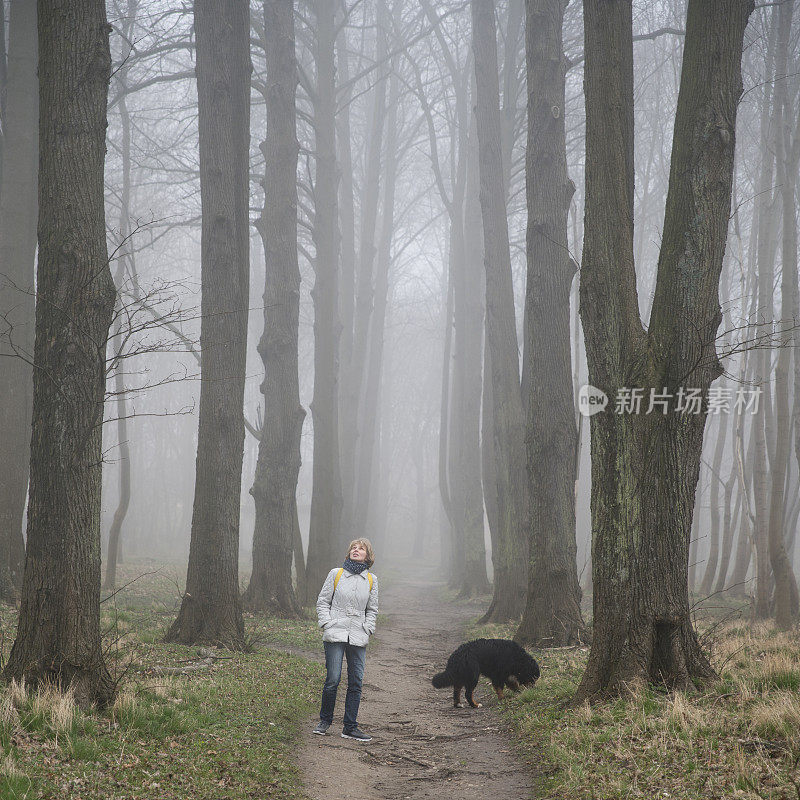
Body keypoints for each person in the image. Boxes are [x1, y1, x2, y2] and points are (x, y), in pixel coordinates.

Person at [313, 538, 379, 742]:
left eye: (361, 548)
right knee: (333, 679)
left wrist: (368, 627)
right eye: (353, 547)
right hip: (335, 632)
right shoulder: (336, 574)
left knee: (356, 682)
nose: (356, 550)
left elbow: (372, 609)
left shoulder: (371, 580)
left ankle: (350, 727)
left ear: (368, 556)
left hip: (358, 635)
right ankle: (325, 721)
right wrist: (327, 623)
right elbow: (323, 601)